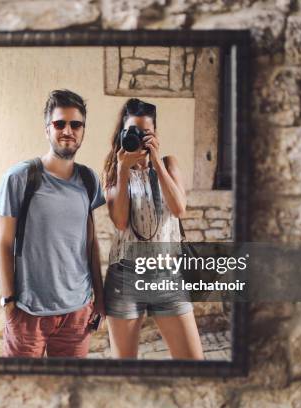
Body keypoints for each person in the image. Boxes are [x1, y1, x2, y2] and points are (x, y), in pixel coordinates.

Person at [0, 89, 106, 358]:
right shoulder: (20, 178)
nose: (68, 130)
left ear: (83, 131)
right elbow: (4, 243)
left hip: (77, 312)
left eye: (75, 124)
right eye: (60, 124)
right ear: (47, 129)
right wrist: (10, 302)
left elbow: (90, 243)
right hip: (28, 312)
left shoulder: (89, 180)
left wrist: (100, 300)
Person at [101, 98, 204, 359]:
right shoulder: (113, 172)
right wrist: (124, 170)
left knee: (194, 364)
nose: (138, 137)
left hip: (168, 275)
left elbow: (180, 208)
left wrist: (156, 161)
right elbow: (121, 221)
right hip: (125, 277)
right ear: (122, 133)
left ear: (154, 135)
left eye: (145, 132)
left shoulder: (169, 164)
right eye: (132, 131)